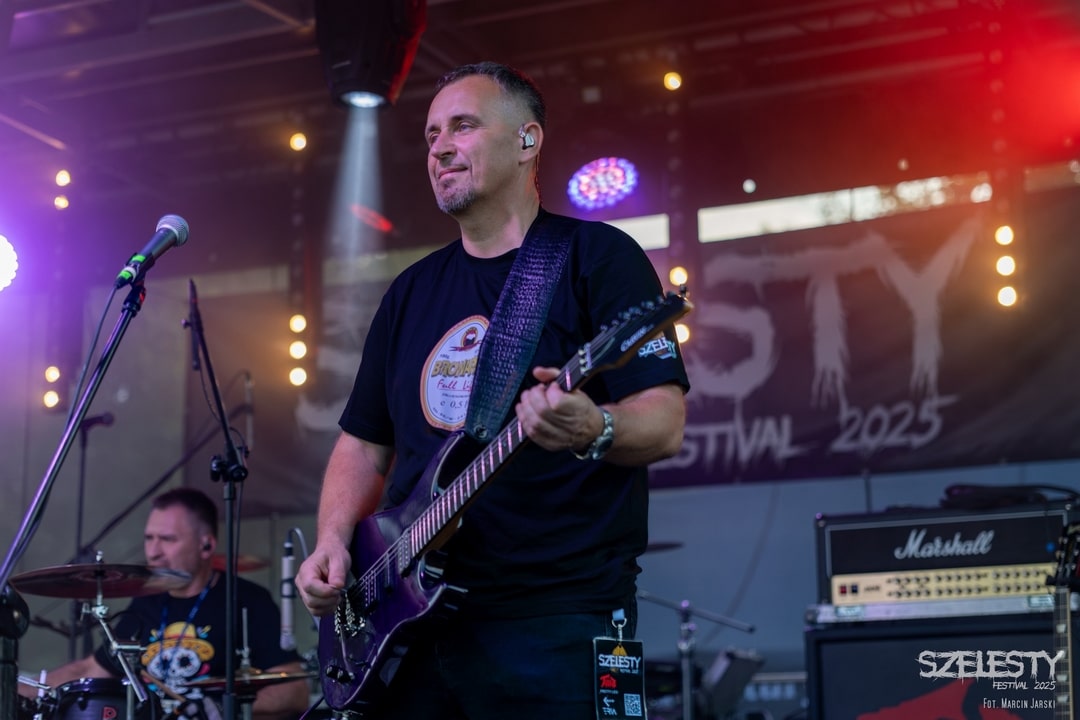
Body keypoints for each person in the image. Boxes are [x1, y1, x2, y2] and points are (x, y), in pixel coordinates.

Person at [296, 61, 690, 720]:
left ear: (527, 140)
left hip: (555, 620)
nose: (440, 148)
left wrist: (595, 428)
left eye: (463, 126)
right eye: (431, 135)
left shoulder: (596, 257)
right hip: (410, 629)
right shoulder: (411, 292)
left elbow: (665, 419)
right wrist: (333, 541)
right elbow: (363, 445)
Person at [23, 487, 310, 719]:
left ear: (206, 545)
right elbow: (90, 670)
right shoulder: (145, 602)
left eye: (167, 539)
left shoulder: (248, 600)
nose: (154, 551)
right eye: (149, 538)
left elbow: (295, 691)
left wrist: (223, 709)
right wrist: (24, 686)